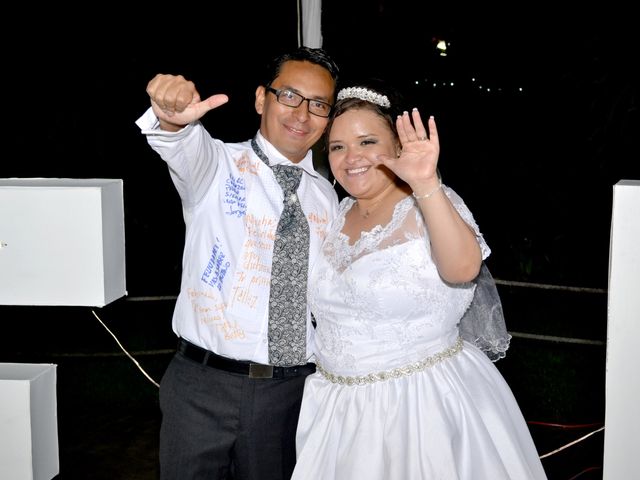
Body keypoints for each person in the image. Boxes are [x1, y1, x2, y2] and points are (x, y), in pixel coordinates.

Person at [290, 81, 548, 479]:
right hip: (338, 415)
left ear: (397, 148)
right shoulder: (335, 214)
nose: (351, 157)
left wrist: (426, 184)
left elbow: (463, 270)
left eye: (367, 141)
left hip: (422, 408)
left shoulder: (430, 203)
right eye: (338, 146)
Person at [135, 46, 340, 480]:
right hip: (201, 386)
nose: (302, 114)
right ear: (262, 99)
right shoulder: (215, 165)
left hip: (291, 391)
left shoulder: (329, 196)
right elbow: (181, 140)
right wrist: (171, 113)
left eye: (319, 104)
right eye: (289, 96)